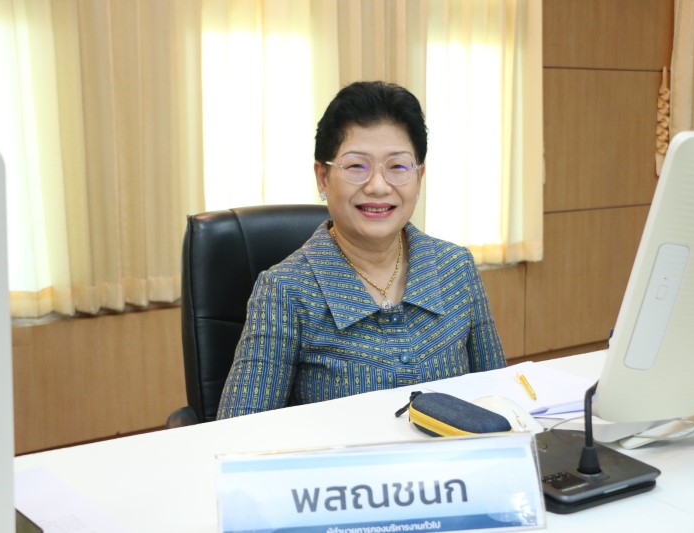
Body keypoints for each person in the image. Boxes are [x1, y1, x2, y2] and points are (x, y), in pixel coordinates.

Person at [216, 81, 506, 419]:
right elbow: (238, 432)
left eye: (397, 167)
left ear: (419, 177)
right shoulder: (285, 290)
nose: (378, 186)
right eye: (357, 166)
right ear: (323, 177)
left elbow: (498, 399)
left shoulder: (456, 268)